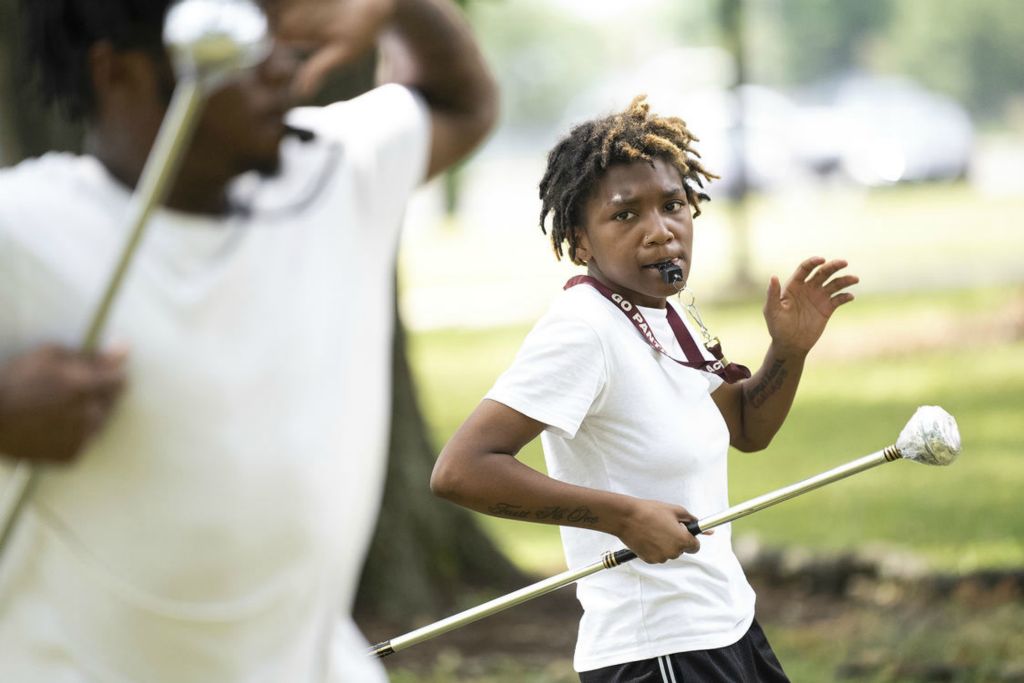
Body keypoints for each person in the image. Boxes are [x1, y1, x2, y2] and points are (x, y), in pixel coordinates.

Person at [0, 0, 496, 680]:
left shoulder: (330, 173)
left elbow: (462, 103)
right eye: (227, 37)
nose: (276, 64)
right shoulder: (21, 229)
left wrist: (397, 8)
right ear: (117, 72)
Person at [430, 95, 858, 682]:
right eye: (625, 215)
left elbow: (745, 429)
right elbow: (461, 469)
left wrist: (788, 351)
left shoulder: (658, 308)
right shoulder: (584, 328)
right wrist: (622, 516)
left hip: (726, 622)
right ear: (581, 241)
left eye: (674, 205)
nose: (661, 232)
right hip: (657, 649)